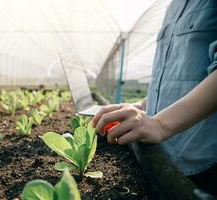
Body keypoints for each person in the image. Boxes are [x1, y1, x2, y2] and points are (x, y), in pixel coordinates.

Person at [92, 0, 217, 194]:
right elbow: (174, 78)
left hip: (203, 163)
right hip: (163, 154)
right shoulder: (173, 6)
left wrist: (160, 124)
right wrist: (142, 106)